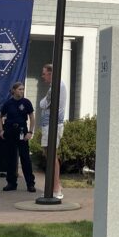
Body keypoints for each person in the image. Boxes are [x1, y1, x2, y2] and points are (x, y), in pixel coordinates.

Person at [0, 81, 37, 192]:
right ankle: (11, 183)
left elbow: (32, 117)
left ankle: (30, 183)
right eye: (20, 89)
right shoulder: (8, 103)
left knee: (25, 158)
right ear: (14, 90)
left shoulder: (26, 102)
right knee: (11, 158)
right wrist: (1, 130)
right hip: (10, 131)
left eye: (23, 89)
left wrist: (30, 132)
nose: (22, 91)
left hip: (22, 131)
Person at [39, 63, 68, 199]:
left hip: (53, 124)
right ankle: (55, 186)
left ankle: (56, 189)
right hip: (49, 124)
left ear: (51, 74)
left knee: (52, 155)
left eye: (44, 73)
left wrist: (43, 102)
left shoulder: (56, 86)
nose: (43, 76)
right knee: (49, 154)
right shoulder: (55, 86)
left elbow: (43, 104)